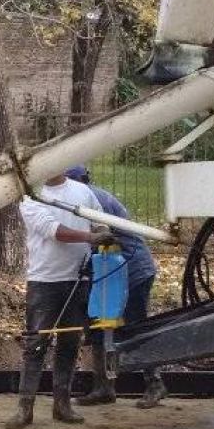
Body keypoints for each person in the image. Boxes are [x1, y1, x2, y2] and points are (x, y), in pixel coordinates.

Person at [4, 172, 112, 429]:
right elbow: (54, 231)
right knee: (36, 344)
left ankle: (62, 405)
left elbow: (98, 218)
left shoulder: (83, 192)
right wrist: (90, 238)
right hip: (45, 280)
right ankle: (25, 408)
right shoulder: (32, 197)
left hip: (78, 277)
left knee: (70, 342)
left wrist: (102, 230)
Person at [64, 165, 168, 409]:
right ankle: (103, 388)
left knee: (135, 328)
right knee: (99, 327)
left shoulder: (91, 200)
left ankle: (155, 384)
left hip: (131, 270)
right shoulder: (88, 199)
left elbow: (97, 238)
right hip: (107, 273)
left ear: (78, 182)